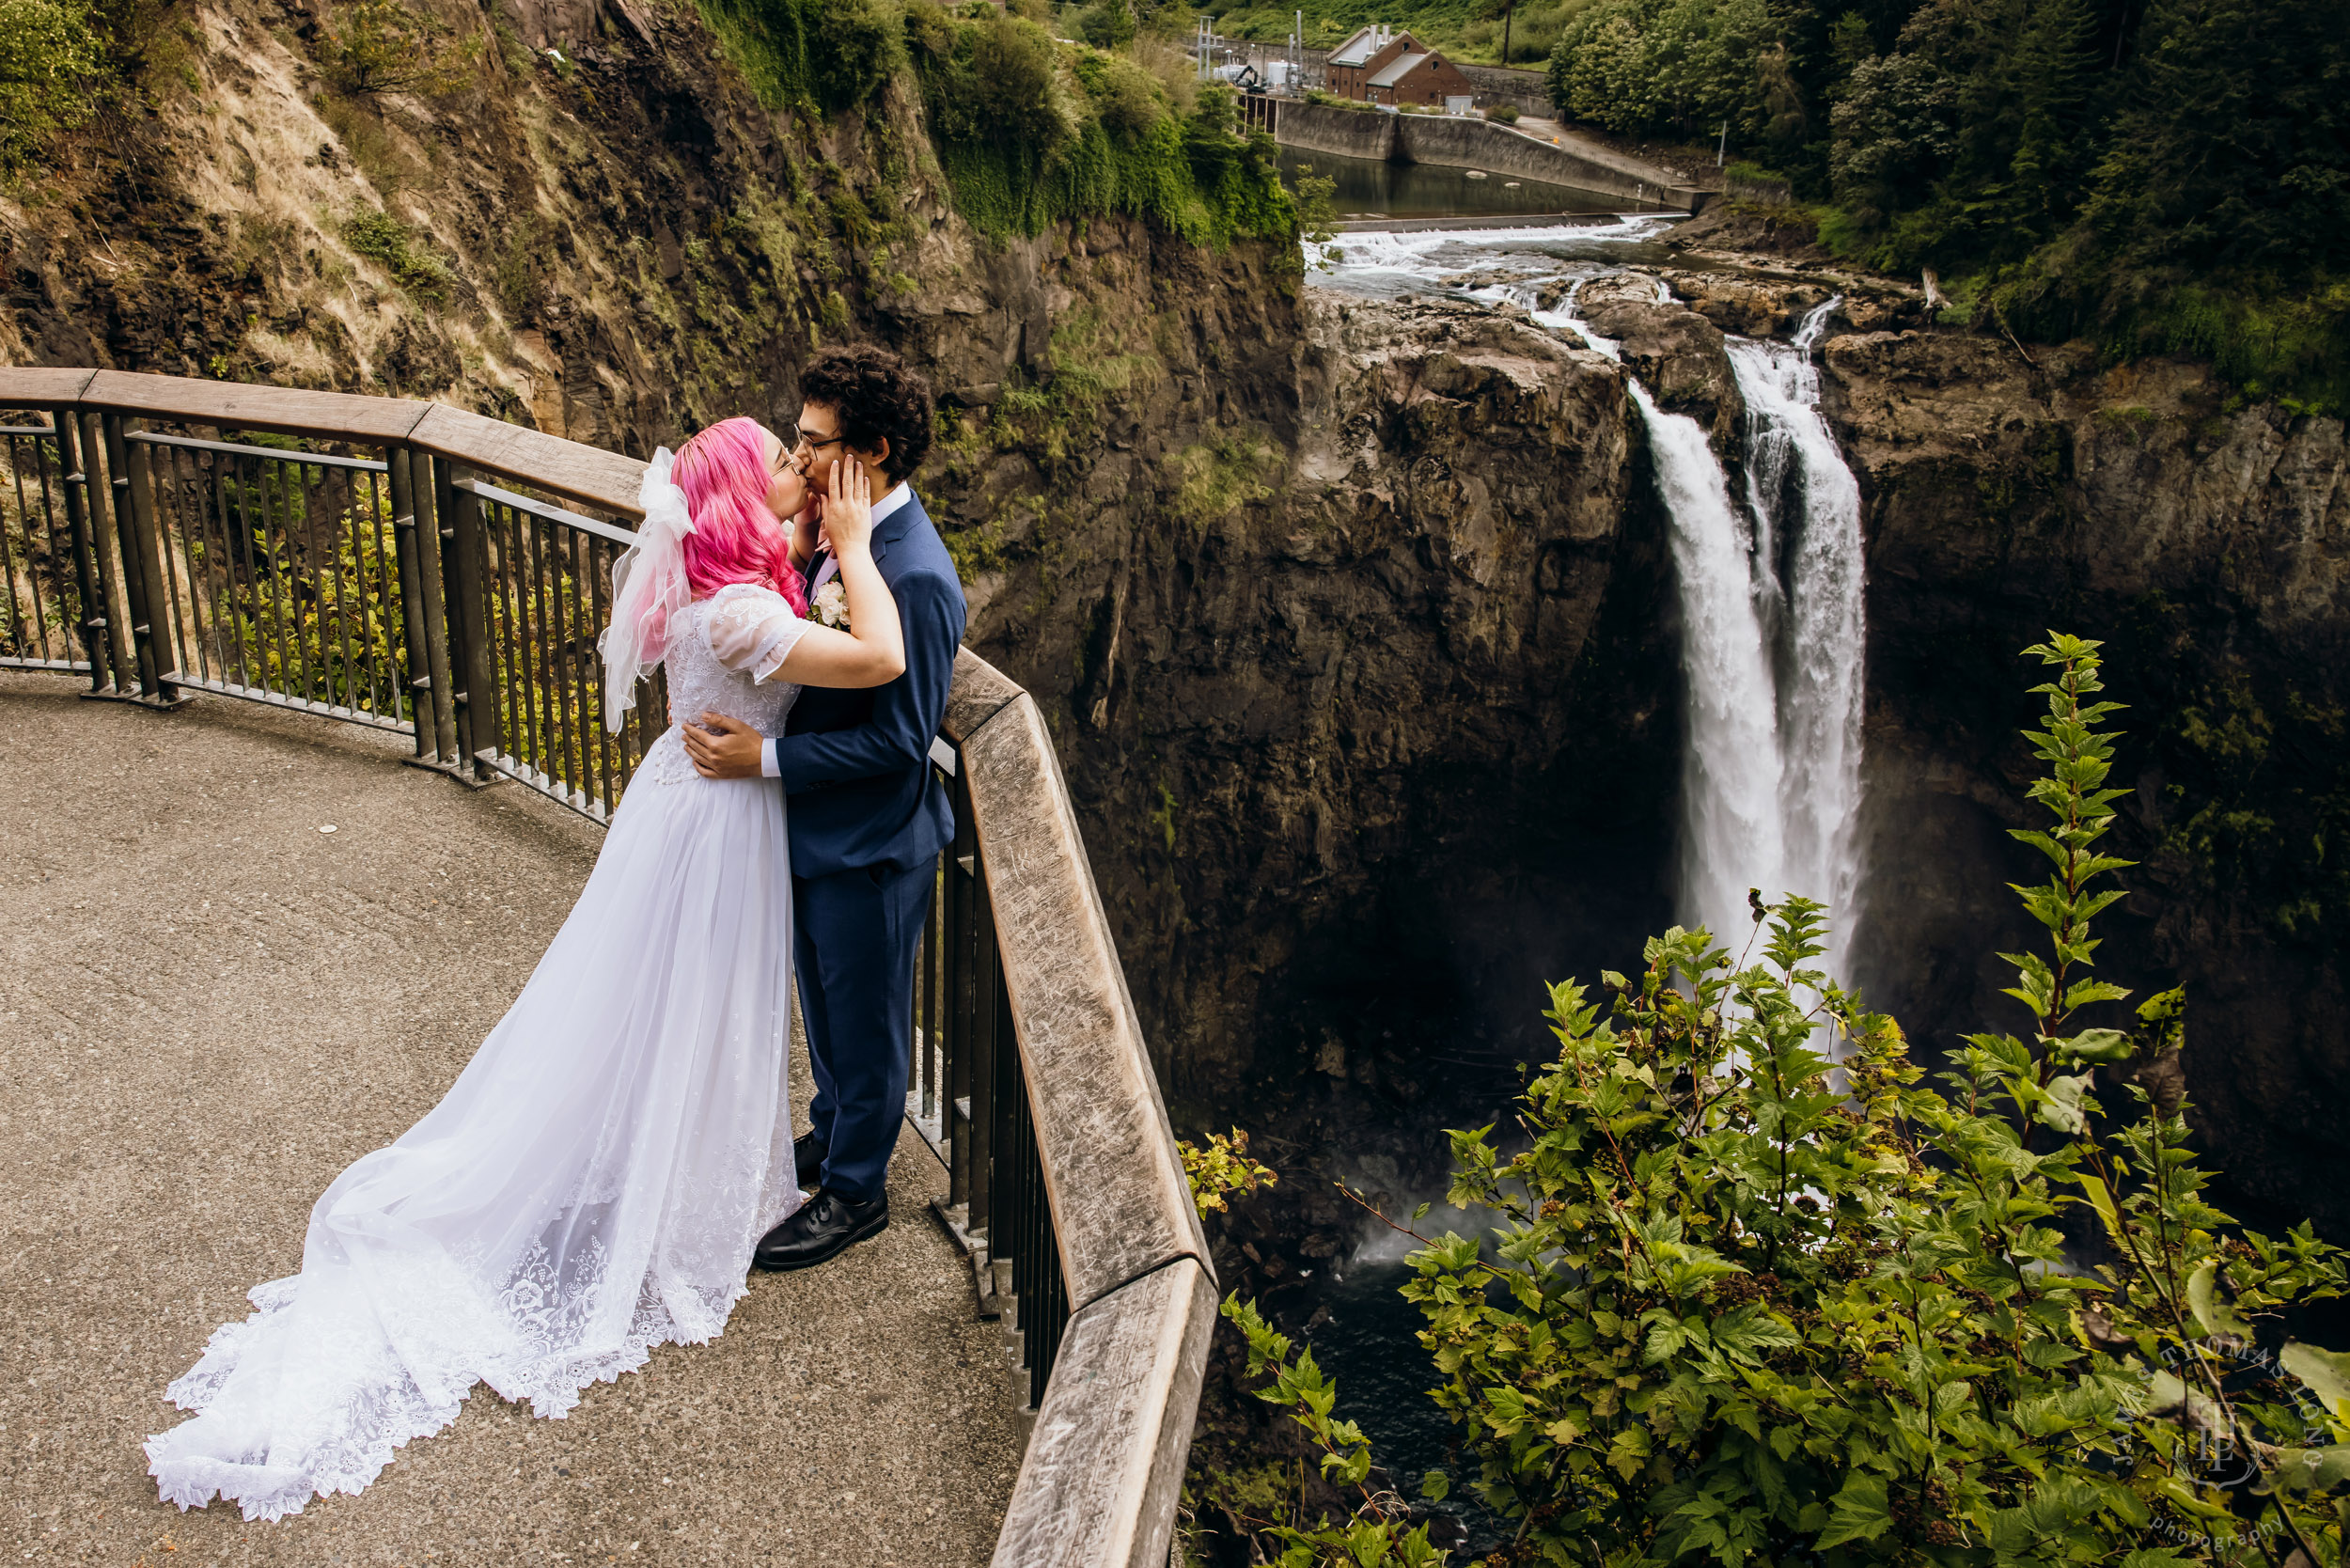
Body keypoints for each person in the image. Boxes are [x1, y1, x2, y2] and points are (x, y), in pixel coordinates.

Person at [144, 416, 906, 1523]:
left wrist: (816, 549)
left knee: (668, 1002)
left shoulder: (721, 580)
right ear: (746, 498)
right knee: (692, 1001)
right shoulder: (742, 608)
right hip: (720, 821)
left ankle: (673, 1162)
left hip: (692, 803)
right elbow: (881, 658)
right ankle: (669, 1182)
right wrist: (860, 547)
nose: (799, 472)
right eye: (780, 464)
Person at [683, 345, 967, 1274]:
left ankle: (856, 1191)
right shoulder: (840, 540)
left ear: (871, 451)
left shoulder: (913, 572)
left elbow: (899, 742)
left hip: (872, 845)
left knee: (869, 1020)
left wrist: (763, 758)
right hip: (815, 831)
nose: (798, 460)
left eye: (813, 445)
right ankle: (833, 1131)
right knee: (828, 1006)